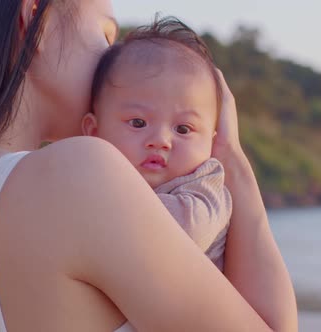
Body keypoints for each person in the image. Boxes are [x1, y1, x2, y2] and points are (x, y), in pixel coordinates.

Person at [0, 1, 298, 331]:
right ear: (35, 23)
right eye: (105, 34)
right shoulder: (79, 172)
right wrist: (232, 159)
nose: (111, 61)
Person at [82, 17, 231, 270]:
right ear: (94, 132)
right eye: (138, 123)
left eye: (183, 129)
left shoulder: (203, 185)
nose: (161, 141)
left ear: (211, 144)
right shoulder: (89, 177)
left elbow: (189, 228)